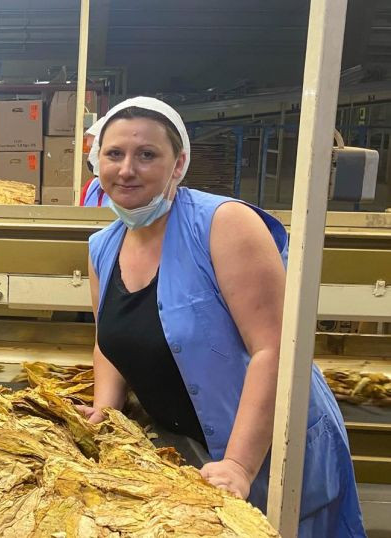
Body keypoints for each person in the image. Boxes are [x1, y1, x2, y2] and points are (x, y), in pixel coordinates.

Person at [78, 96, 365, 537]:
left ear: (178, 164)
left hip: (268, 455)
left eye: (147, 154)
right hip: (189, 451)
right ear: (98, 162)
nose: (127, 169)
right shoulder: (103, 246)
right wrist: (105, 409)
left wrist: (239, 464)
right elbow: (109, 341)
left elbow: (276, 348)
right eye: (114, 154)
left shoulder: (223, 224)